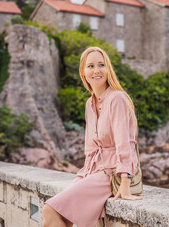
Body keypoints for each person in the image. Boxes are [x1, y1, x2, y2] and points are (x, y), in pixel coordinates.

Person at [42, 46, 142, 227]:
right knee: (57, 213)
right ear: (83, 72)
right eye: (90, 66)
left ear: (108, 69)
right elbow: (90, 148)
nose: (96, 70)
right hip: (94, 171)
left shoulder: (117, 98)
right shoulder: (90, 103)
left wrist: (125, 182)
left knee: (49, 209)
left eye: (101, 65)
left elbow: (124, 142)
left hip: (112, 173)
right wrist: (84, 175)